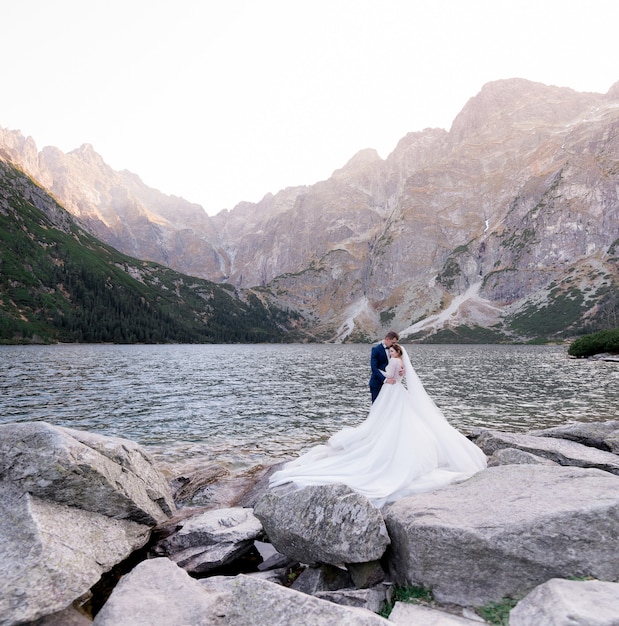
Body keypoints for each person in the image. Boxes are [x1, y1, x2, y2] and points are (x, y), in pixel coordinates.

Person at [269, 343, 487, 508]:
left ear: (397, 352)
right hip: (400, 392)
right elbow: (401, 376)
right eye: (390, 351)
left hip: (392, 390)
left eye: (392, 351)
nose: (390, 354)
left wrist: (386, 379)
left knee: (385, 417)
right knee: (401, 418)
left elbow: (391, 377)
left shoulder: (394, 362)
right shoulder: (403, 364)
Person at [369, 330, 399, 402]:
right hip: (377, 383)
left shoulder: (394, 349)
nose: (394, 344)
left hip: (390, 384)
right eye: (392, 342)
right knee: (377, 406)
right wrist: (385, 380)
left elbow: (398, 362)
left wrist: (401, 370)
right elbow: (374, 368)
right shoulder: (376, 350)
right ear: (387, 339)